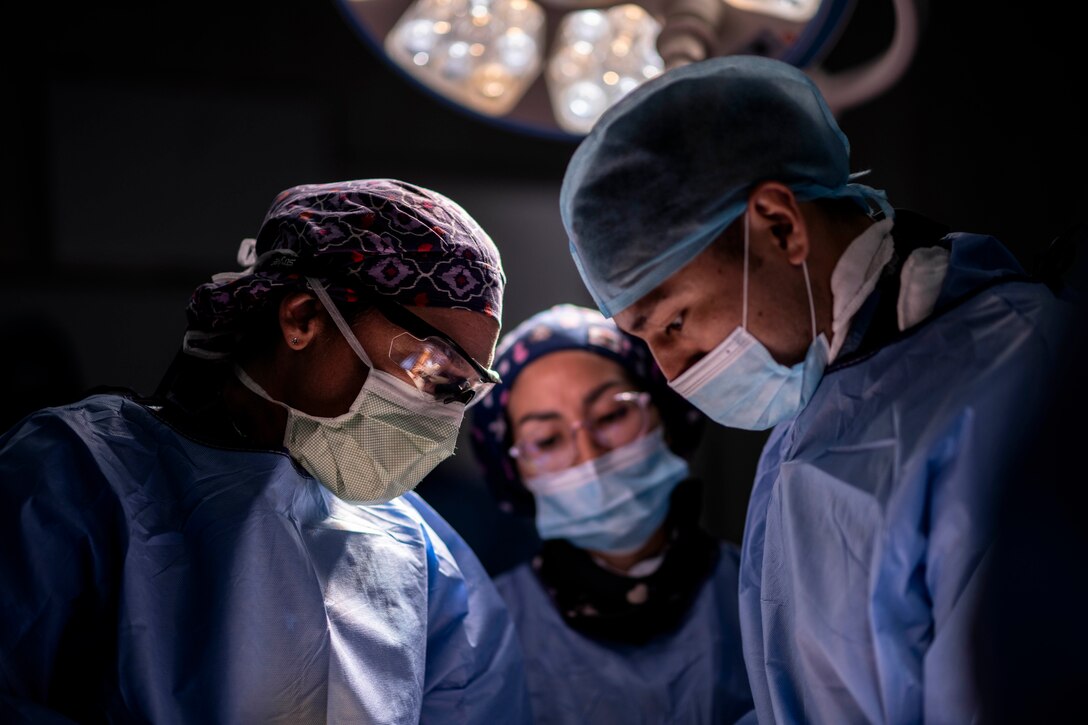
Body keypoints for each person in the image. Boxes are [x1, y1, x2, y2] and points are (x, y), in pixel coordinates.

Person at [558, 55, 1071, 723]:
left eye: (675, 321)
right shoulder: (819, 403)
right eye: (643, 338)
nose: (670, 371)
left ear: (779, 224)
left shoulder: (1017, 376)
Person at [0, 178, 532, 724]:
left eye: (463, 389)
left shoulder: (424, 556)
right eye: (429, 369)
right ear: (303, 317)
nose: (444, 418)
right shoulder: (74, 476)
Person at [469, 303, 754, 724]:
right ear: (515, 474)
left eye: (612, 414)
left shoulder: (763, 598)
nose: (590, 457)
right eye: (547, 440)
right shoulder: (483, 636)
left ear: (666, 416)